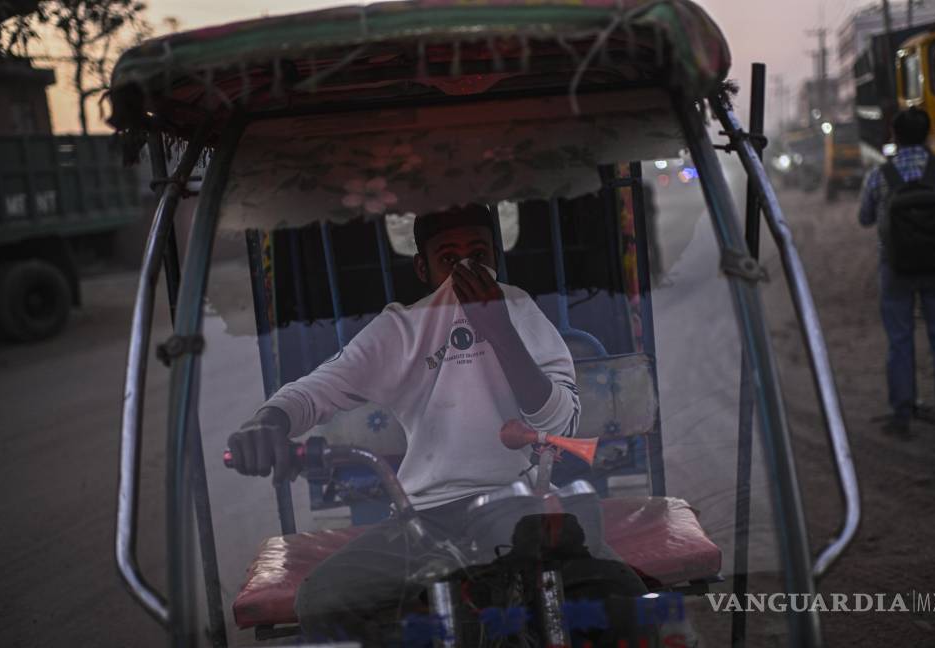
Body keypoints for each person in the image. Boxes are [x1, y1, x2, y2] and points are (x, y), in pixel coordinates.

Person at [227, 204, 646, 641]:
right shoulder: (400, 330)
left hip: (522, 504)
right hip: (423, 518)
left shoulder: (518, 309)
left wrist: (498, 329)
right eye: (449, 258)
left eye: (478, 255)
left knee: (619, 595)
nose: (466, 267)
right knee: (325, 599)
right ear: (422, 268)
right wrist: (269, 422)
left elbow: (561, 420)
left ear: (495, 260)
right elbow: (314, 390)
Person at [859, 107, 935, 438]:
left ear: (894, 135)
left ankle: (902, 415)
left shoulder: (879, 175)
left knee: (900, 342)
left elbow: (865, 218)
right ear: (928, 132)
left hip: (896, 269)